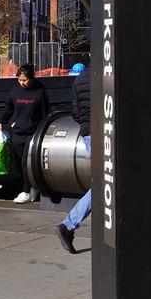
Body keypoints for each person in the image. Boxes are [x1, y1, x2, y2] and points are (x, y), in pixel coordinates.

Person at [0, 65, 50, 205]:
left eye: (25, 80)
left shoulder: (40, 92)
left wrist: (44, 129)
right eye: (20, 80)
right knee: (18, 162)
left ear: (31, 79)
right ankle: (31, 186)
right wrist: (2, 121)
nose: (22, 83)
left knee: (26, 162)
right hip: (18, 131)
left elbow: (45, 113)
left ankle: (26, 191)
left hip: (33, 132)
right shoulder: (15, 91)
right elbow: (9, 109)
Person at [58, 62, 95, 253]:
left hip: (89, 134)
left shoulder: (79, 80)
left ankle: (69, 225)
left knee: (107, 182)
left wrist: (87, 123)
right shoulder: (110, 75)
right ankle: (69, 224)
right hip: (108, 133)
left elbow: (75, 112)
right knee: (108, 183)